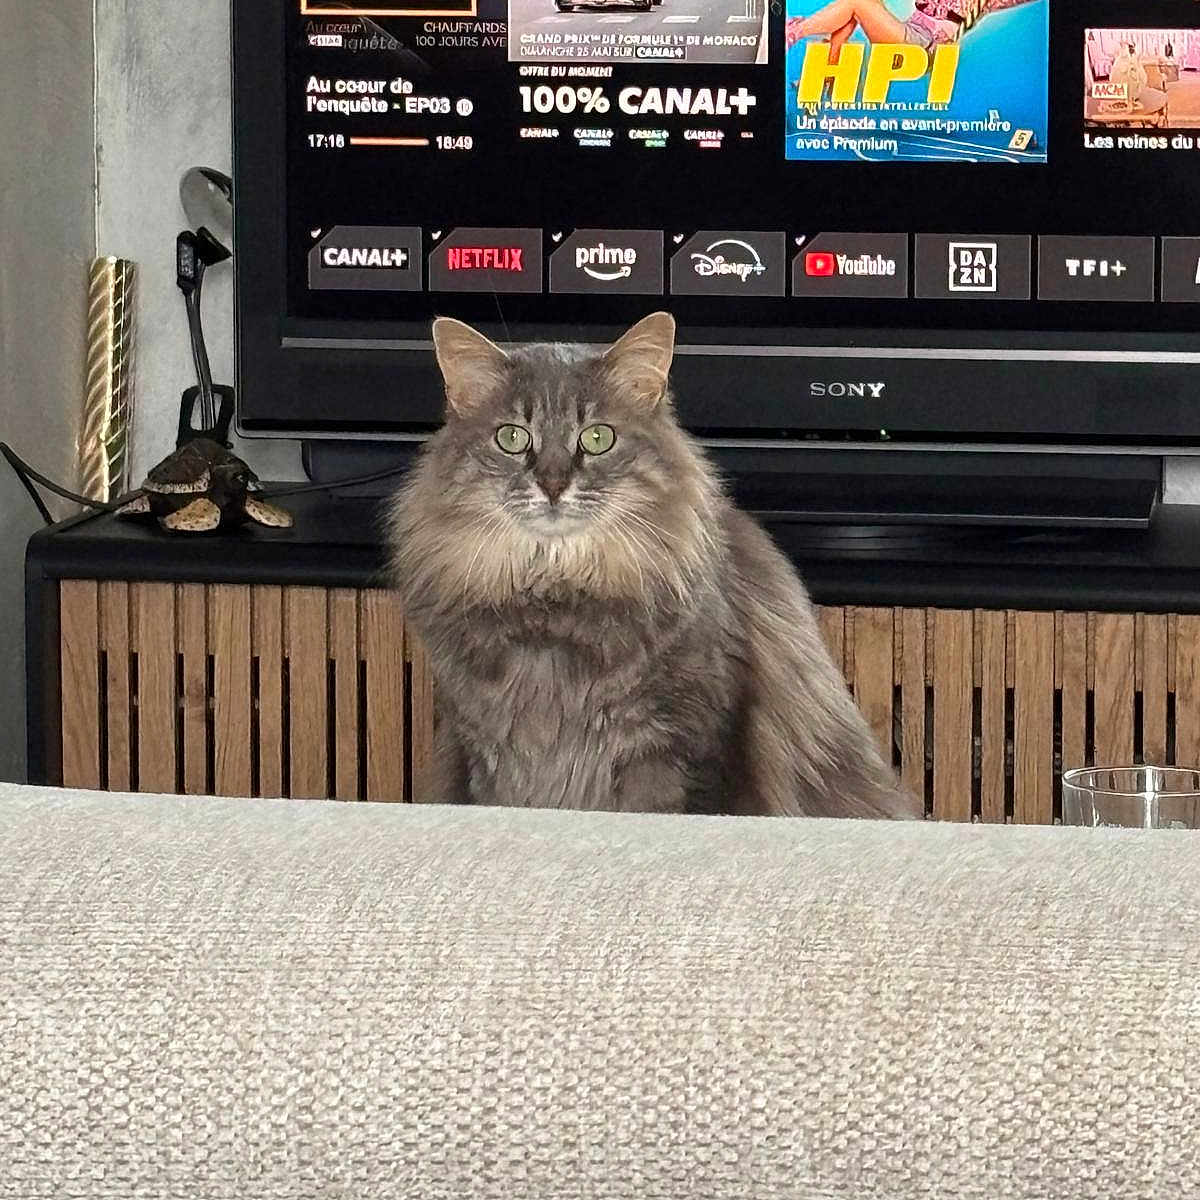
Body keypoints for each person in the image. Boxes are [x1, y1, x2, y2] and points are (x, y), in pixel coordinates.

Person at [786, 0, 1041, 58]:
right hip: (907, 35)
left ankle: (795, 31)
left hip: (922, 49)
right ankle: (829, 77)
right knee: (862, 6)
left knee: (858, 3)